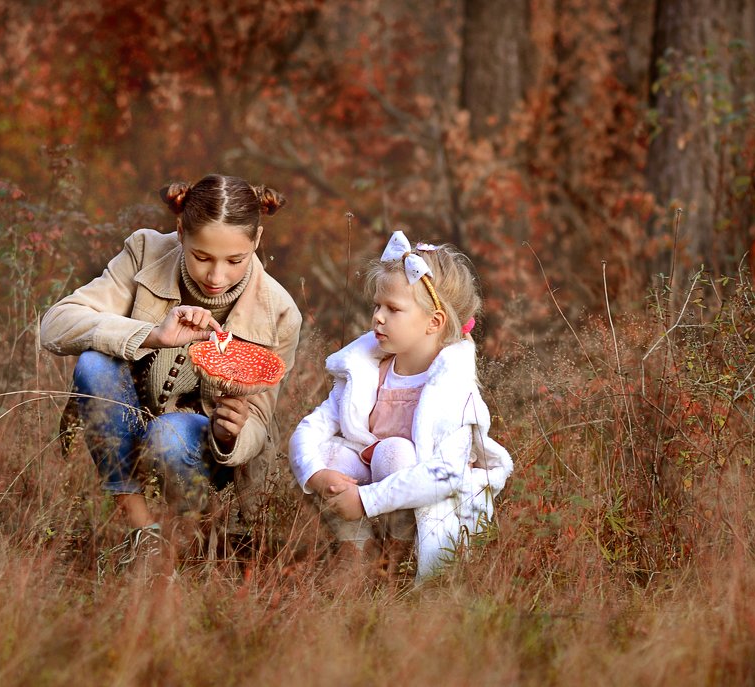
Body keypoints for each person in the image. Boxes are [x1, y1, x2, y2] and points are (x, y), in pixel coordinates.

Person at [41, 174, 302, 570]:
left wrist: (229, 434)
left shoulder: (279, 311)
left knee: (170, 434)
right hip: (131, 418)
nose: (216, 277)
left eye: (235, 261)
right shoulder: (146, 251)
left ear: (257, 241)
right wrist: (151, 335)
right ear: (180, 231)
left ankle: (189, 539)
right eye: (201, 257)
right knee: (94, 364)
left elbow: (261, 422)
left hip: (198, 450)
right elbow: (55, 325)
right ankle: (141, 532)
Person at [289, 230, 513, 583]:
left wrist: (365, 501)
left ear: (433, 323)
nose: (377, 317)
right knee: (329, 453)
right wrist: (316, 474)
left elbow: (446, 475)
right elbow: (312, 426)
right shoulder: (368, 368)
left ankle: (398, 556)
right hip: (371, 480)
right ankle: (357, 550)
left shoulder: (453, 389)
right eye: (377, 306)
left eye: (392, 309)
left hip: (422, 498)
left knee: (394, 450)